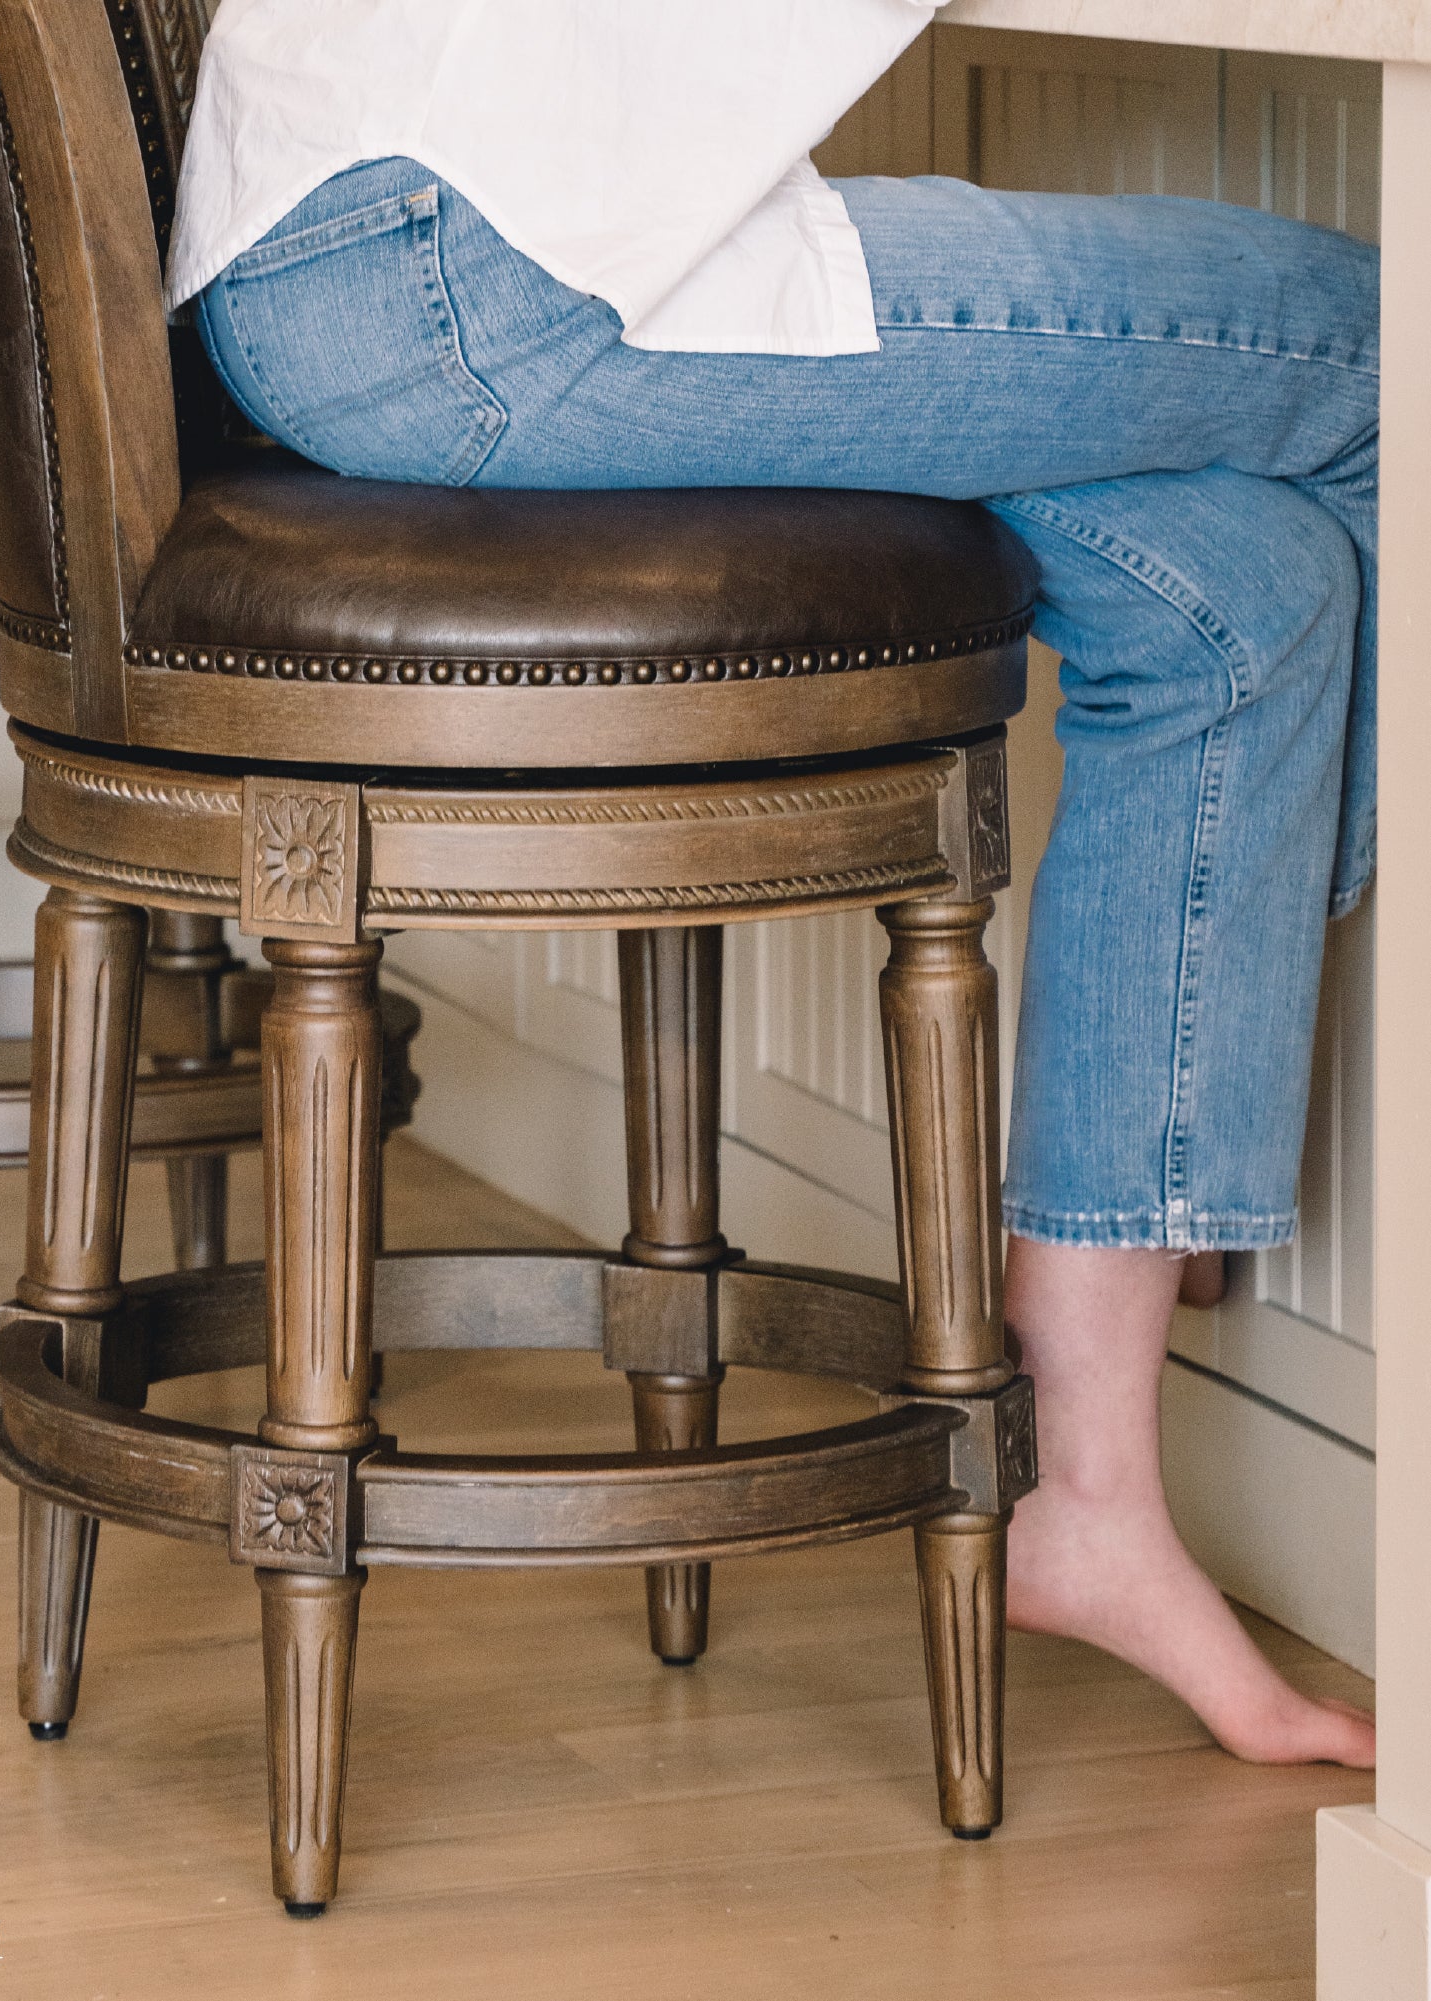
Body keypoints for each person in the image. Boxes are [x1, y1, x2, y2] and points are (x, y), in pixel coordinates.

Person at [167, 0, 1378, 1769]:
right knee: (1373, 333)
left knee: (1247, 594)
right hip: (486, 270)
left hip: (385, 260)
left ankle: (1087, 1493)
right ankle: (1180, 1166)